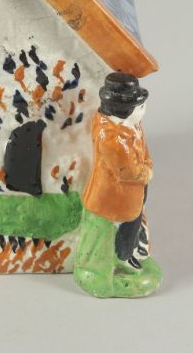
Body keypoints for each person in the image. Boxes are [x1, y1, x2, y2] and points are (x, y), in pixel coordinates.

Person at [74, 72, 162, 298]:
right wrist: (147, 171)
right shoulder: (112, 137)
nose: (143, 111)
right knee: (122, 227)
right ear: (124, 110)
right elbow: (129, 171)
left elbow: (144, 153)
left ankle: (128, 255)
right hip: (114, 197)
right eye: (140, 107)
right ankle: (119, 260)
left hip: (131, 195)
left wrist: (147, 165)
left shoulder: (132, 126)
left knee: (133, 224)